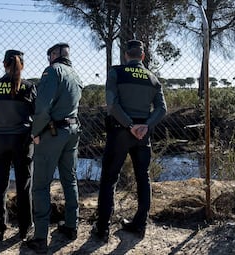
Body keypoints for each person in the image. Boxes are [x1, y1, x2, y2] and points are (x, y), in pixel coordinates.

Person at [93, 40, 167, 242]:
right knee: (143, 178)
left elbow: (111, 103)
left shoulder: (116, 72)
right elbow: (162, 109)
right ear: (142, 57)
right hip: (143, 135)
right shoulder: (153, 78)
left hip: (120, 132)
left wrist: (129, 125)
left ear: (126, 55)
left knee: (109, 179)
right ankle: (139, 225)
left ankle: (102, 229)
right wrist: (146, 126)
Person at [25, 43, 83, 254]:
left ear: (55, 54)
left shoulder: (52, 71)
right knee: (70, 179)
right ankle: (71, 226)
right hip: (73, 130)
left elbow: (42, 107)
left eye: (49, 54)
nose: (48, 58)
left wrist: (35, 132)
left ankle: (40, 237)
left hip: (52, 134)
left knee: (40, 185)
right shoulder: (75, 75)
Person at [0, 49, 36, 243]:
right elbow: (36, 112)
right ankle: (25, 228)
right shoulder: (29, 87)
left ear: (4, 64)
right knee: (24, 186)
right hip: (22, 141)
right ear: (22, 66)